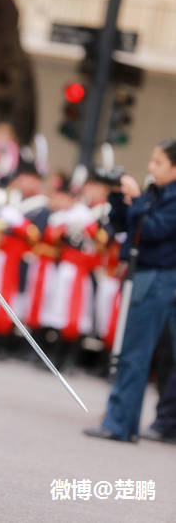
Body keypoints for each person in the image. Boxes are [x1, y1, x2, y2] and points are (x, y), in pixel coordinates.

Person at [84, 139, 176, 442]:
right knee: (132, 351)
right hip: (146, 275)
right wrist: (118, 200)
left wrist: (136, 201)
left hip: (158, 276)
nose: (151, 168)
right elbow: (124, 227)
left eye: (158, 162)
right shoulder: (155, 192)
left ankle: (120, 424)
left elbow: (152, 230)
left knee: (135, 352)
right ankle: (124, 421)